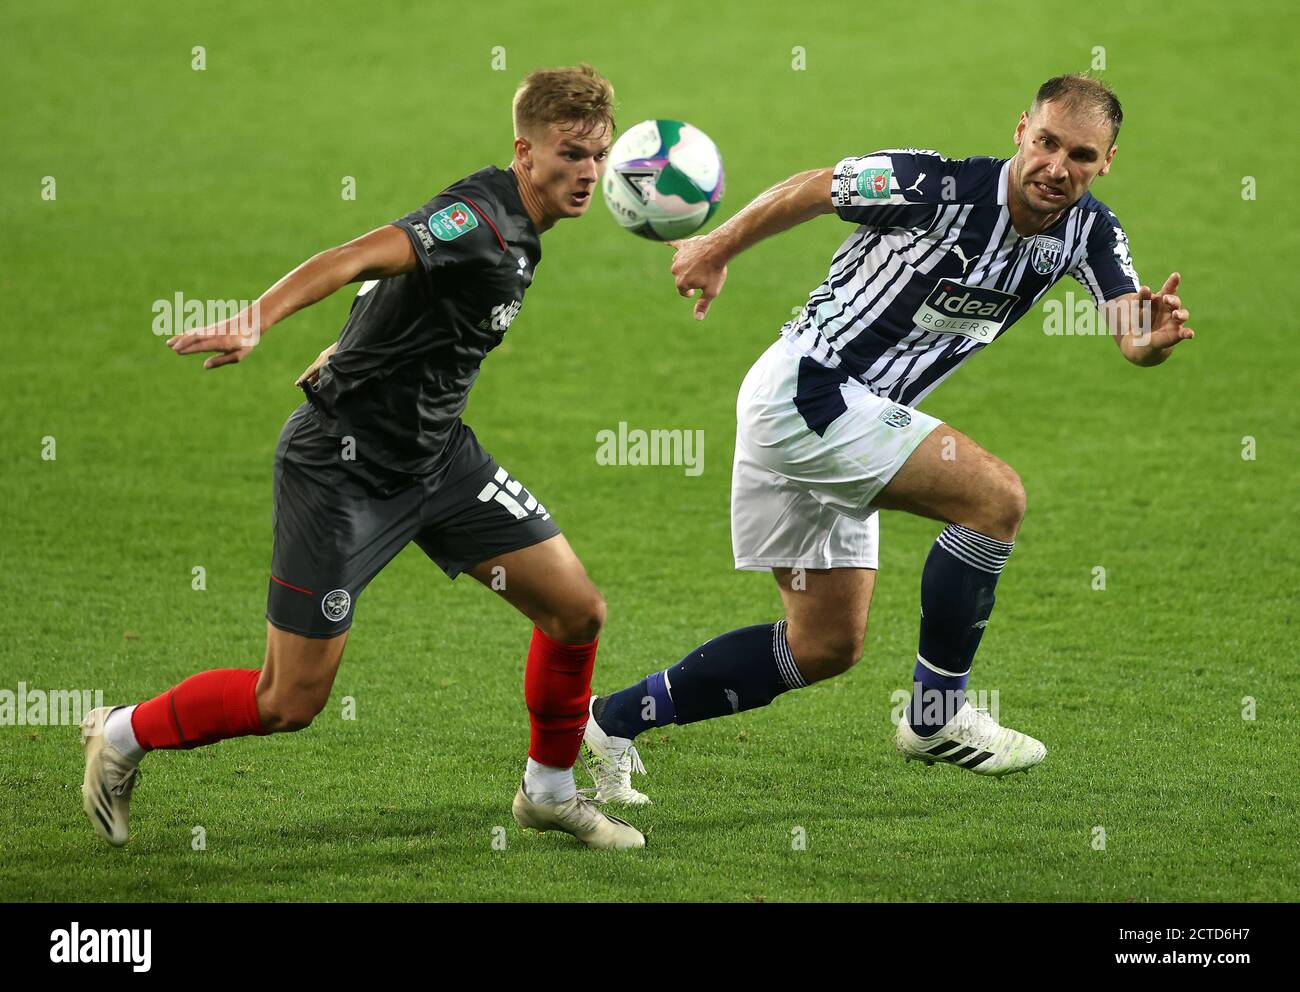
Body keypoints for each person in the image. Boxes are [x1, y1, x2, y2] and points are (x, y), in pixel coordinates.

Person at [582, 73, 1194, 804]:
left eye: (1082, 156)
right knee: (995, 499)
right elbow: (818, 185)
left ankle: (608, 722)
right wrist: (717, 244)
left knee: (823, 647)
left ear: (1106, 163)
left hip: (845, 419)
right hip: (808, 393)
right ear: (1020, 129)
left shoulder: (1092, 231)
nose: (1057, 168)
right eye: (1047, 142)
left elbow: (1129, 328)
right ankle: (937, 717)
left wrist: (1150, 340)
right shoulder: (933, 184)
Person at [81, 64, 644, 850]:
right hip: (340, 473)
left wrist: (350, 345)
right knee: (290, 700)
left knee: (576, 610)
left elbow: (402, 298)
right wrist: (258, 318)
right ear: (525, 151)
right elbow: (358, 255)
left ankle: (547, 792)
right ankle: (121, 735)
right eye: (570, 155)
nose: (587, 173)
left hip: (440, 462)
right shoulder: (477, 219)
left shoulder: (523, 228)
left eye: (598, 155)